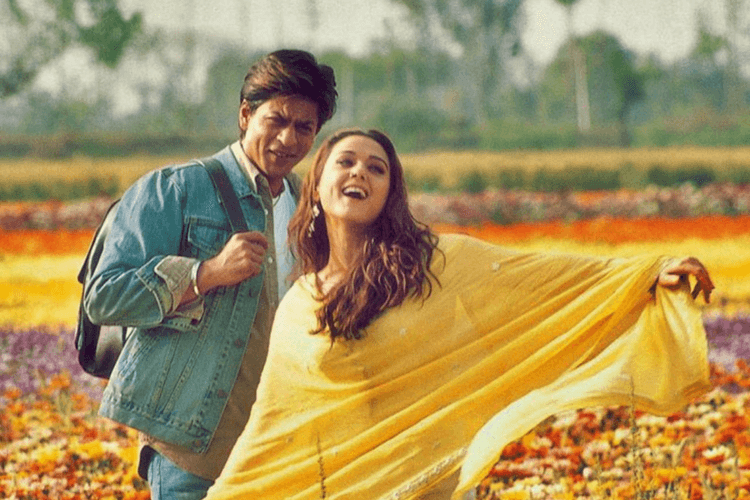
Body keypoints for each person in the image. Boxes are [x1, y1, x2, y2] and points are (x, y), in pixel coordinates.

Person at [203, 128, 715, 500]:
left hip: (428, 482)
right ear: (316, 187)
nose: (360, 172)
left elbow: (545, 279)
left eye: (377, 168)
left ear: (389, 195)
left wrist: (648, 274)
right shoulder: (299, 304)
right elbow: (273, 424)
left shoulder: (437, 265)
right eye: (346, 162)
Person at [83, 49, 337, 499]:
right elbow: (104, 297)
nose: (288, 138)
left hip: (278, 447)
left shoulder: (310, 208)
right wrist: (204, 274)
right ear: (245, 115)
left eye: (304, 127)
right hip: (192, 449)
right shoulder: (177, 188)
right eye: (276, 120)